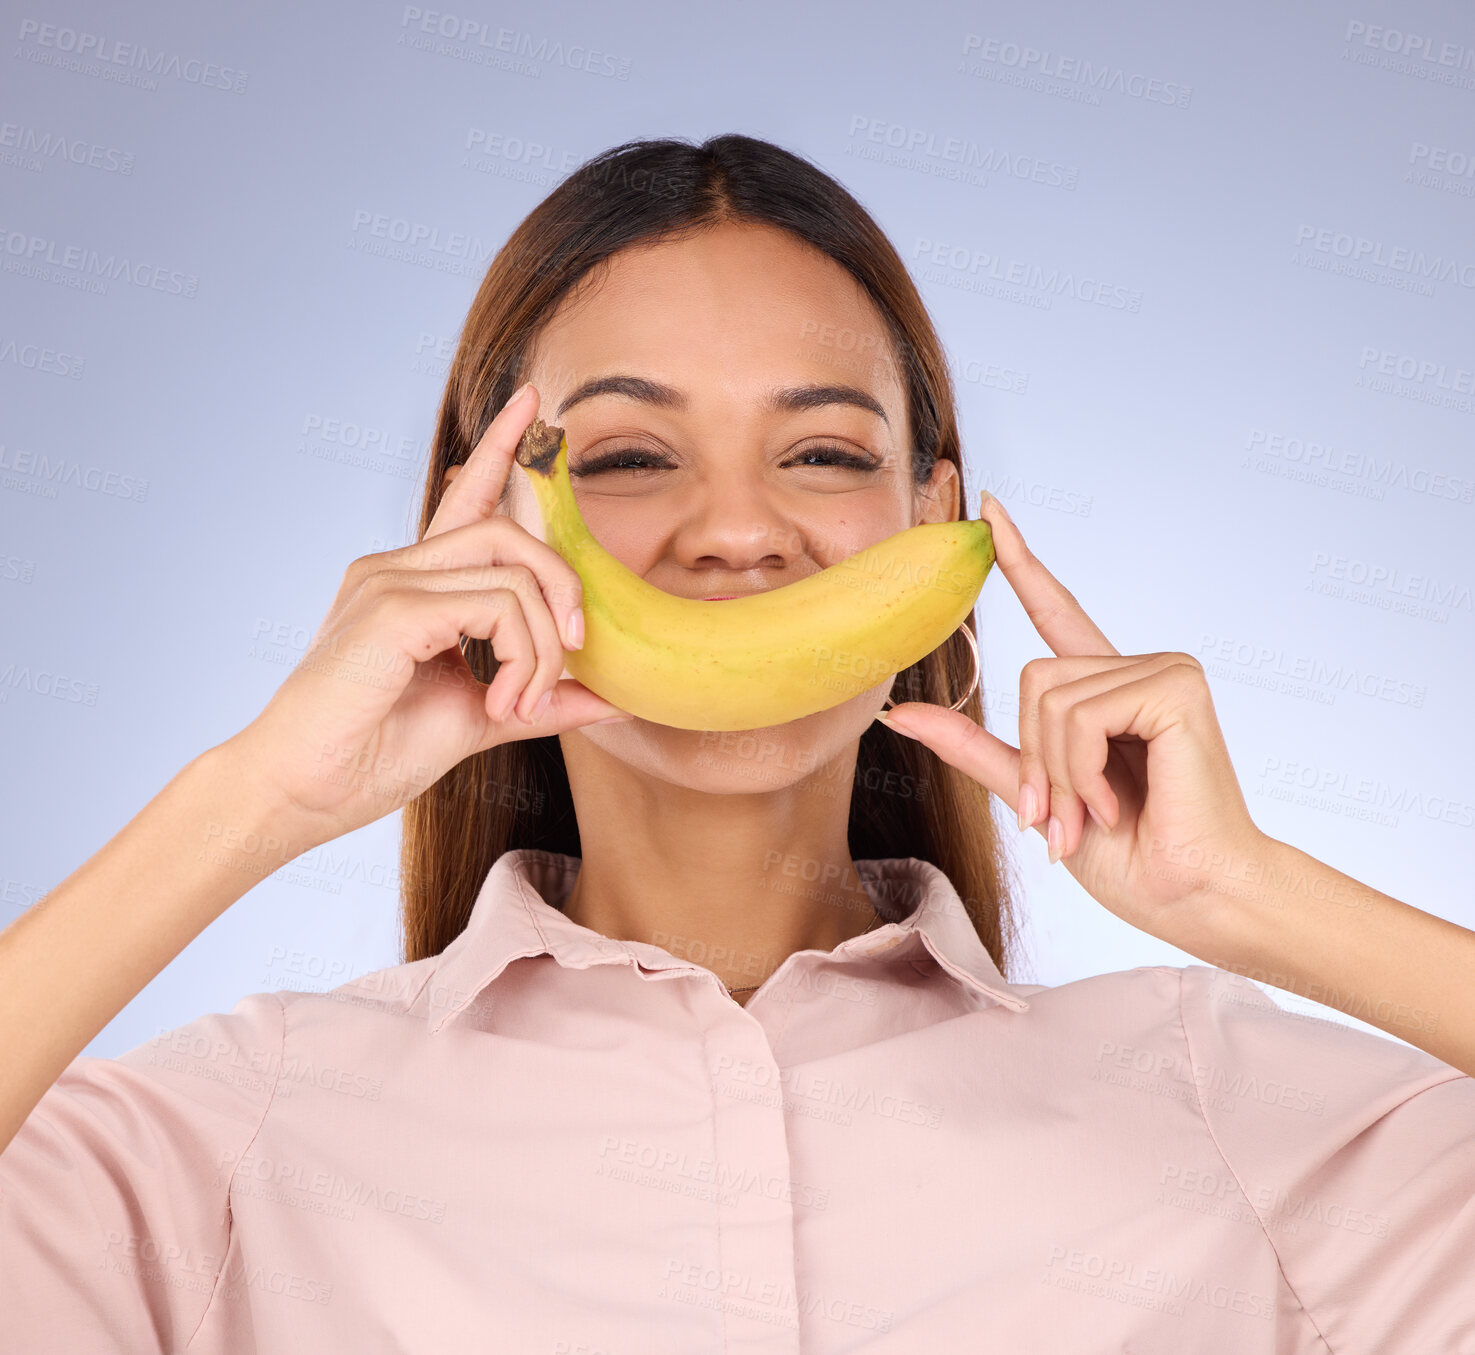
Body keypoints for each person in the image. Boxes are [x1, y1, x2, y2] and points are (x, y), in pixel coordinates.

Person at [1, 133, 1471, 1352]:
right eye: (634, 458)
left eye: (824, 453)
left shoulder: (1218, 1106)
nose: (738, 535)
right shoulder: (238, 1146)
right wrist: (251, 798)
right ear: (489, 522)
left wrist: (1257, 902)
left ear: (932, 521)